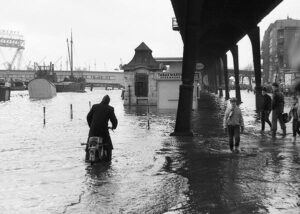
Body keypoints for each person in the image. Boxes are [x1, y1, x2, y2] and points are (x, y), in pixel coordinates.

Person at [86, 95, 118, 161]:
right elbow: (114, 120)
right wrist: (113, 127)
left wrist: (91, 126)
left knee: (89, 144)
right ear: (108, 102)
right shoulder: (110, 109)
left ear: (102, 100)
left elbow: (88, 117)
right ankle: (108, 161)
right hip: (103, 131)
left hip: (93, 130)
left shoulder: (94, 106)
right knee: (109, 146)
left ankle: (87, 158)